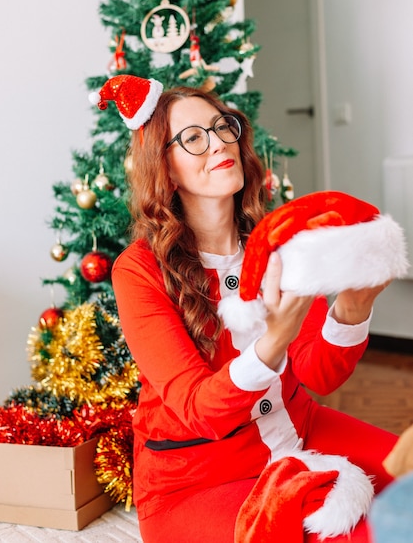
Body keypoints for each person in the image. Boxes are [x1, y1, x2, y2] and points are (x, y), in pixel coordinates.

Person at [109, 78, 399, 543]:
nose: (219, 144)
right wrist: (272, 342)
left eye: (223, 128)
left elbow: (317, 374)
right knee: (368, 534)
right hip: (198, 478)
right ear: (163, 166)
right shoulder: (139, 270)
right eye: (193, 138)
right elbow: (197, 410)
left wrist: (353, 307)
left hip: (298, 429)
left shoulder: (275, 241)